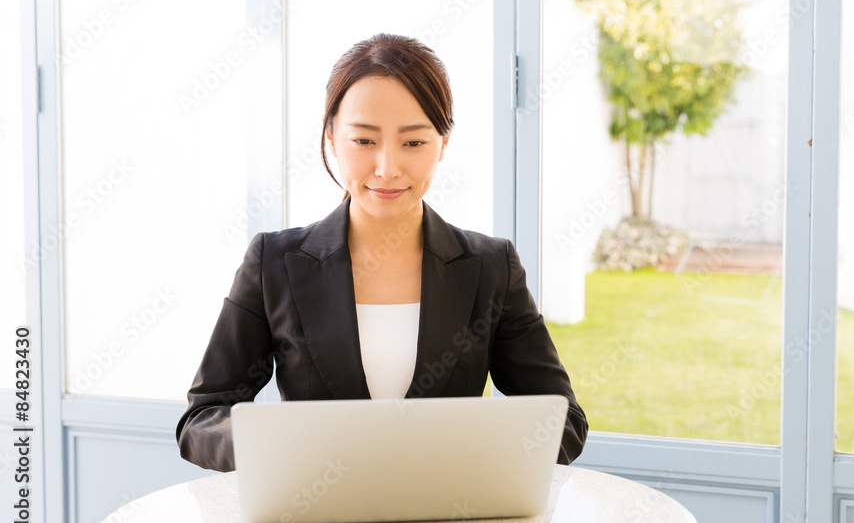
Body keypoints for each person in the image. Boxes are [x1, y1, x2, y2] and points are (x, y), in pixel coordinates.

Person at [175, 33, 588, 471]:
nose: (387, 168)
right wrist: (280, 451)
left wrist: (469, 455)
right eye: (364, 141)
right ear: (331, 136)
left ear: (443, 144)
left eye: (413, 142)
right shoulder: (274, 263)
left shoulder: (491, 267)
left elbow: (562, 423)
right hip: (315, 522)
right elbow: (203, 416)